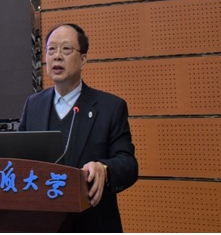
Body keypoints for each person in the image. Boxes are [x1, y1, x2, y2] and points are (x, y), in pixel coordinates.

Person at [19, 23, 138, 232]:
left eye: (66, 49)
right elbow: (18, 158)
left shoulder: (110, 107)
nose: (57, 56)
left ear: (83, 59)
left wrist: (105, 169)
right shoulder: (33, 105)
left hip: (92, 224)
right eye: (51, 50)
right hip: (41, 224)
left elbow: (129, 164)